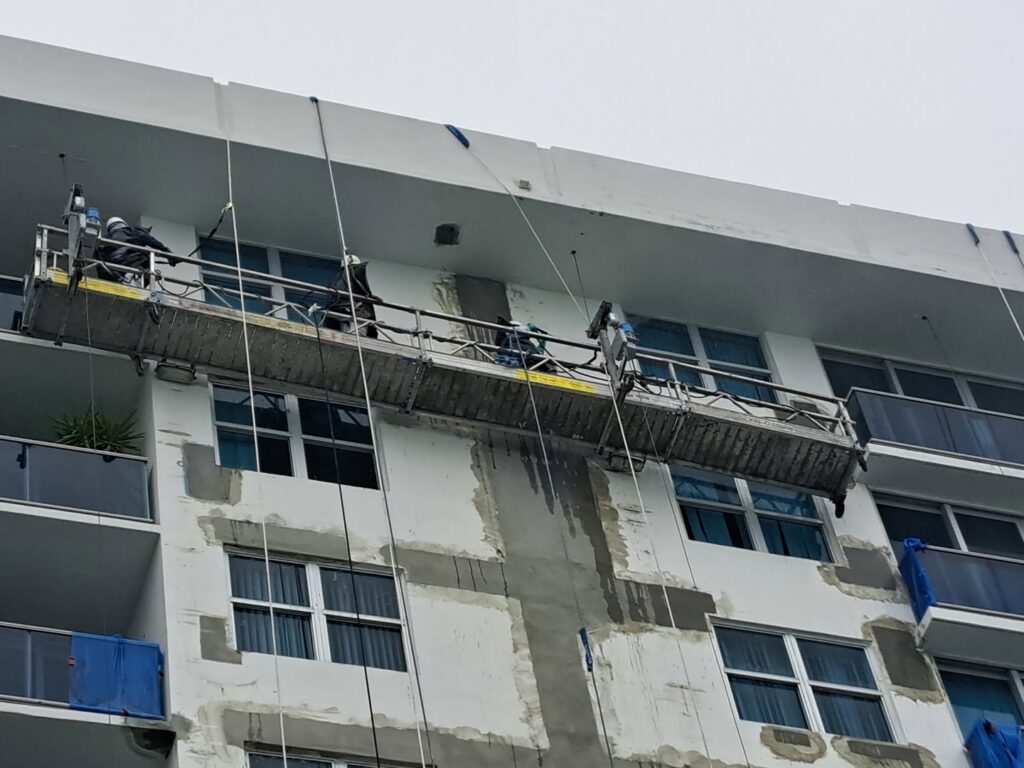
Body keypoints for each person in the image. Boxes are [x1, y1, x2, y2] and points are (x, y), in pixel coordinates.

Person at [96, 217, 176, 283]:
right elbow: (150, 241)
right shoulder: (132, 232)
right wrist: (169, 254)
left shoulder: (104, 240)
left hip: (109, 272)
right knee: (146, 256)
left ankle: (117, 275)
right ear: (124, 224)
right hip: (131, 265)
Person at [323, 254, 378, 338]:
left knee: (346, 337)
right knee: (357, 337)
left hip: (343, 314)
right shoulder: (354, 274)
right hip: (358, 314)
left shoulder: (338, 280)